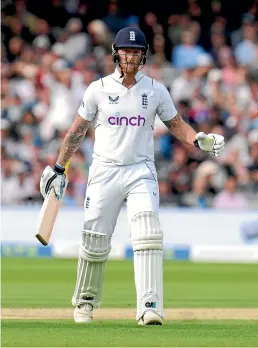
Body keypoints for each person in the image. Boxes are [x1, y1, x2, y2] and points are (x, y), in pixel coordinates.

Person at [39, 27, 225, 325]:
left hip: (141, 171)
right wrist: (59, 167)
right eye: (127, 51)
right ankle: (85, 303)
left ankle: (149, 306)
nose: (131, 57)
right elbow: (76, 131)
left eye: (137, 52)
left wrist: (197, 139)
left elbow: (176, 124)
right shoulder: (97, 89)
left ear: (144, 55)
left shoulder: (155, 89)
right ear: (116, 52)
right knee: (95, 240)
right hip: (104, 171)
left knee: (148, 232)